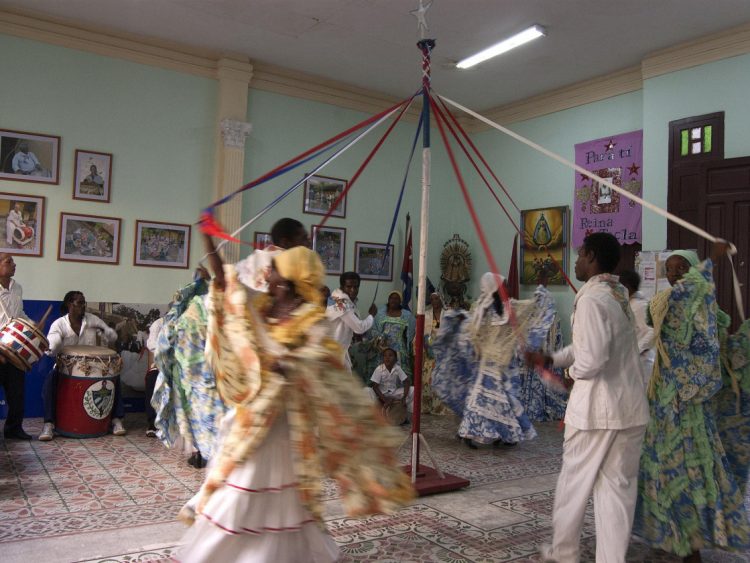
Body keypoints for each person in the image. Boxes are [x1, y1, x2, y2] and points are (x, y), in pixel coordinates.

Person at [176, 238, 413, 562]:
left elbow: (314, 367)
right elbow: (228, 289)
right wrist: (209, 243)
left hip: (280, 427)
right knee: (244, 487)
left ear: (286, 282)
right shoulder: (264, 306)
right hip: (254, 420)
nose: (266, 275)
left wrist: (283, 367)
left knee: (259, 490)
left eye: (273, 271)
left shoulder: (307, 323)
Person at [527, 232, 649, 563]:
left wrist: (568, 377)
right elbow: (587, 349)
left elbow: (591, 360)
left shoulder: (593, 299)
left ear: (592, 256)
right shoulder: (618, 293)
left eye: (580, 255)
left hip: (597, 412)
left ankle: (564, 554)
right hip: (630, 410)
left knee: (574, 486)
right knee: (617, 494)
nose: (576, 261)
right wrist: (552, 359)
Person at [633, 243, 750, 561]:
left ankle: (692, 541)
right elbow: (656, 317)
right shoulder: (668, 302)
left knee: (689, 469)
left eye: (680, 268)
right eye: (669, 269)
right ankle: (667, 534)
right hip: (664, 401)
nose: (673, 275)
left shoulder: (700, 304)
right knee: (661, 467)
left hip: (690, 406)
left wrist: (710, 260)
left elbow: (713, 340)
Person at [433, 272, 553, 448]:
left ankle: (504, 434)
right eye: (504, 285)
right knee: (483, 397)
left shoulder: (510, 307)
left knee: (507, 398)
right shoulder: (481, 309)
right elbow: (472, 329)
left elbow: (531, 310)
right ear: (495, 289)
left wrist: (542, 293)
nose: (508, 288)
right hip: (488, 362)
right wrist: (460, 319)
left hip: (506, 363)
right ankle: (468, 432)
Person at [39, 291, 122, 441]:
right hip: (66, 366)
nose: (83, 306)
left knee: (115, 378)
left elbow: (112, 336)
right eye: (79, 303)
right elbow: (50, 351)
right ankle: (49, 423)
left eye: (84, 302)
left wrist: (107, 333)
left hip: (95, 367)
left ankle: (116, 420)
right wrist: (55, 342)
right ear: (69, 304)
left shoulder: (92, 320)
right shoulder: (59, 324)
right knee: (50, 381)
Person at [517, 268, 567, 421]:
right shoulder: (532, 317)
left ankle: (540, 405)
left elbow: (557, 339)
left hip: (546, 356)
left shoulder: (552, 317)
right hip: (538, 356)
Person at [0, 253, 33, 440]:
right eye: (9, 261)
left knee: (16, 392)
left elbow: (19, 313)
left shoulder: (17, 288)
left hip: (14, 348)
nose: (14, 264)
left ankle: (13, 428)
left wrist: (32, 325)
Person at [325, 271, 377, 375]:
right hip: (332, 354)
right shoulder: (342, 304)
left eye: (356, 287)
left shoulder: (343, 300)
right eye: (349, 287)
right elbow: (359, 328)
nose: (353, 290)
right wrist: (371, 315)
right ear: (342, 287)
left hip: (338, 352)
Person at [619, 269, 655, 386]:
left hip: (642, 363)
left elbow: (652, 332)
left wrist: (637, 350)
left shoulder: (640, 306)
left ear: (627, 287)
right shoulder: (629, 304)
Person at [419, 292, 451, 415]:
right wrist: (426, 347)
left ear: (441, 299)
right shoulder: (426, 314)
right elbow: (421, 333)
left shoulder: (447, 314)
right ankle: (427, 407)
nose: (434, 301)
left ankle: (440, 408)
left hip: (444, 352)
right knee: (428, 380)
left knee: (441, 380)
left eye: (437, 298)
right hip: (429, 351)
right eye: (432, 299)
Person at [372, 290, 416, 378]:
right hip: (384, 348)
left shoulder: (407, 315)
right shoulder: (380, 314)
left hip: (399, 350)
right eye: (391, 298)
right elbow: (374, 329)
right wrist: (380, 338)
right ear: (388, 300)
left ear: (400, 301)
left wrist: (408, 346)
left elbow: (411, 332)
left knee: (400, 375)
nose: (393, 300)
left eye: (396, 298)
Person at [367, 347, 414, 421]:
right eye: (385, 356)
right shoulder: (379, 369)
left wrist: (404, 397)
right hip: (380, 394)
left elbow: (406, 382)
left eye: (390, 355)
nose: (387, 358)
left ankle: (404, 414)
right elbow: (375, 387)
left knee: (413, 390)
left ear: (395, 359)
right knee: (367, 390)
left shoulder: (397, 368)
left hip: (393, 393)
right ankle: (376, 411)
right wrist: (385, 400)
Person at [144, 313, 164, 437]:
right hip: (161, 364)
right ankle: (153, 422)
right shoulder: (158, 324)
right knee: (152, 378)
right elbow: (152, 347)